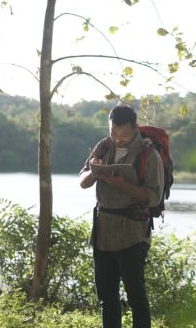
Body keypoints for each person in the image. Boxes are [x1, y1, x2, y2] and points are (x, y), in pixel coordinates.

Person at [80, 103, 164, 328]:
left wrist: (122, 184)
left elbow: (154, 197)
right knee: (106, 298)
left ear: (135, 128)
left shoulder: (149, 154)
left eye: (124, 134)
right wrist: (94, 171)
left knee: (136, 297)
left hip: (133, 233)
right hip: (103, 232)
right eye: (113, 133)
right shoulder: (104, 146)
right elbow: (82, 182)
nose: (118, 138)